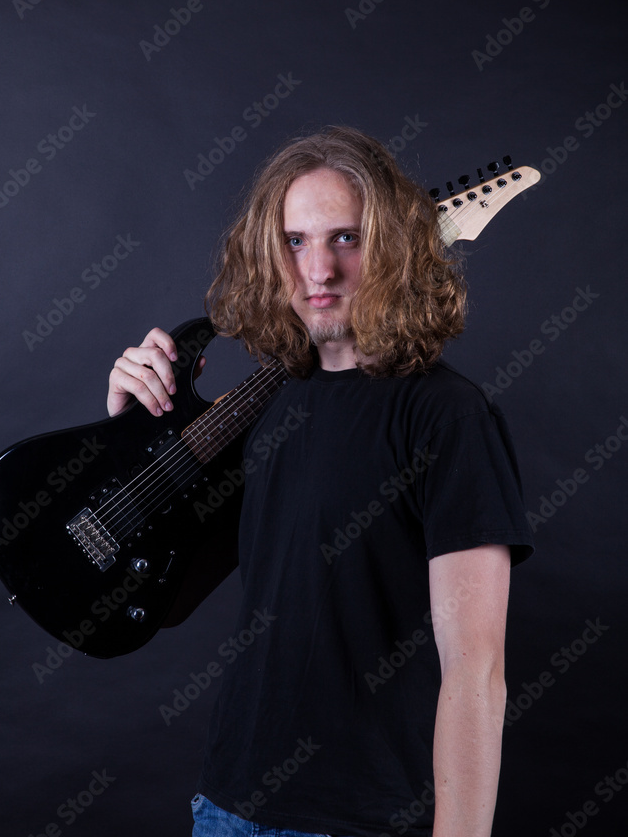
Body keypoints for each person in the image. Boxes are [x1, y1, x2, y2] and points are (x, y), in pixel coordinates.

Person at [107, 126, 534, 837]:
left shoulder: (446, 416)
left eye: (346, 238)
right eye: (295, 241)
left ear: (395, 248)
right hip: (225, 807)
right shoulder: (268, 401)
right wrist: (126, 428)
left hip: (361, 820)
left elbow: (475, 673)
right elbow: (158, 591)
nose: (318, 270)